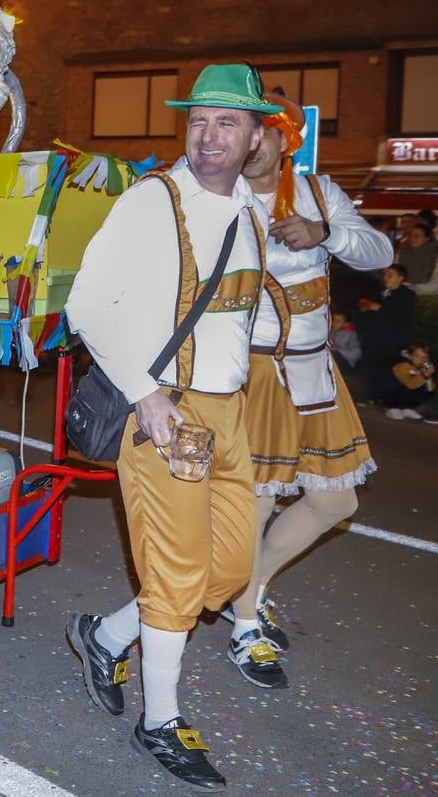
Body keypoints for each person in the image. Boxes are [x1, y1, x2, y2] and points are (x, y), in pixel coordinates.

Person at [63, 63, 276, 791]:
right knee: (179, 575)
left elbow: (241, 311)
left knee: (232, 569)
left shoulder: (252, 210)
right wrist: (147, 394)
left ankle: (106, 635)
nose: (208, 136)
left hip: (229, 412)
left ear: (255, 137)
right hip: (164, 411)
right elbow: (87, 305)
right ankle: (159, 722)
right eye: (198, 120)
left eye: (227, 122)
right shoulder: (152, 201)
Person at [225, 92, 390, 689]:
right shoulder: (219, 195)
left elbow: (380, 251)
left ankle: (250, 588)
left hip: (316, 369)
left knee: (335, 501)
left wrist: (325, 234)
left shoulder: (321, 191)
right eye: (238, 130)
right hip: (256, 371)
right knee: (258, 502)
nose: (247, 143)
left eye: (258, 132)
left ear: (282, 139)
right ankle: (245, 626)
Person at [356, 264, 415, 395]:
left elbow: (397, 316)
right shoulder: (381, 292)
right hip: (374, 339)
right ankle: (372, 396)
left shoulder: (407, 295)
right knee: (372, 369)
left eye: (390, 275)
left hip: (392, 341)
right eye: (385, 275)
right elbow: (364, 304)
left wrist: (377, 307)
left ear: (401, 278)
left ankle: (387, 400)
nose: (386, 278)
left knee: (388, 371)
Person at [374, 345, 435, 418]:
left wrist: (428, 376)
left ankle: (407, 409)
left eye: (425, 357)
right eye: (417, 356)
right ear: (409, 356)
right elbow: (409, 385)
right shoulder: (402, 364)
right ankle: (390, 408)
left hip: (406, 398)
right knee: (401, 386)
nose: (421, 359)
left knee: (427, 390)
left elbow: (430, 389)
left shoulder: (422, 368)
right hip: (389, 396)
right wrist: (425, 375)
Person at [397, 222, 438, 292]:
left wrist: (412, 288)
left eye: (416, 236)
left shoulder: (435, 253)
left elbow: (435, 282)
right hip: (404, 291)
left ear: (427, 238)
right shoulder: (403, 251)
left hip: (429, 294)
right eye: (410, 235)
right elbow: (396, 272)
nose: (412, 238)